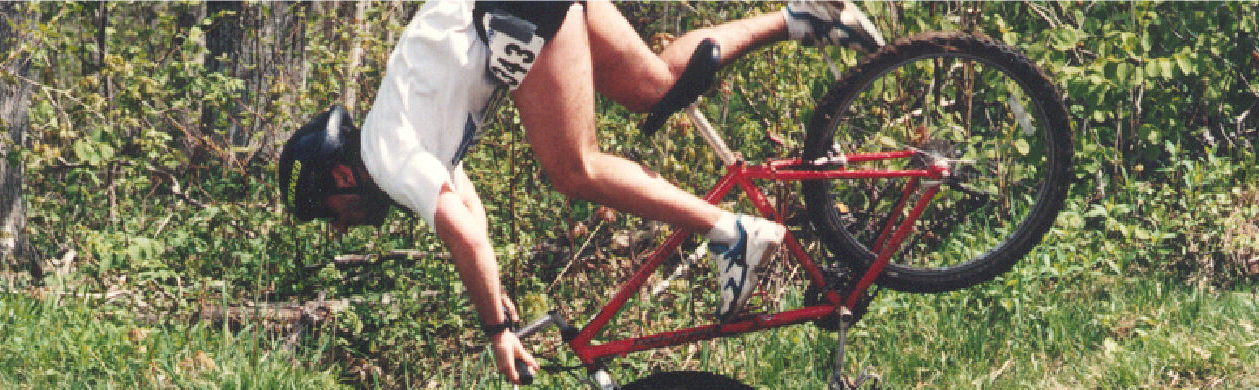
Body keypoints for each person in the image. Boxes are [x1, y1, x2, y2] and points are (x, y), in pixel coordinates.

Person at [278, 0, 885, 384]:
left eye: (327, 215)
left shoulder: (385, 157)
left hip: (513, 10)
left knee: (575, 170)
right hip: (513, 11)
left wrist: (495, 333)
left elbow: (460, 230)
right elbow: (470, 213)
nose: (339, 227)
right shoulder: (399, 129)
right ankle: (804, 17)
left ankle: (733, 233)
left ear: (338, 177)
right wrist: (503, 306)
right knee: (658, 84)